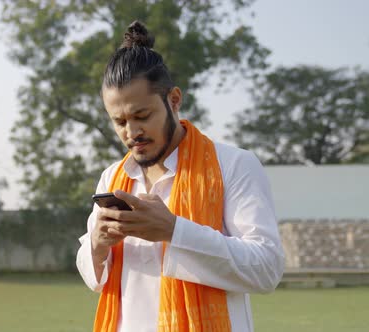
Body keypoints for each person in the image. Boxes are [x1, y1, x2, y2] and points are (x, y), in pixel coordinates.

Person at [76, 20, 285, 332]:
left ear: (174, 100)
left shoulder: (234, 165)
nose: (131, 132)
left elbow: (266, 269)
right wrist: (97, 244)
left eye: (142, 116)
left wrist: (174, 230)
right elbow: (93, 275)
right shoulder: (113, 178)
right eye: (119, 121)